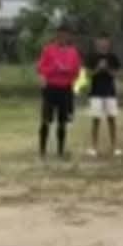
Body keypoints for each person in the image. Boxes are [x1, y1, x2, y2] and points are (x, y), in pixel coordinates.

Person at [36, 23, 81, 159]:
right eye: (60, 34)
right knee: (46, 119)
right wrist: (53, 69)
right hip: (51, 88)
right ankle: (42, 150)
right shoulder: (48, 50)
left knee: (63, 121)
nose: (63, 37)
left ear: (68, 36)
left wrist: (67, 71)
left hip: (65, 88)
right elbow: (41, 68)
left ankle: (60, 150)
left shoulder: (73, 52)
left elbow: (76, 71)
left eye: (65, 35)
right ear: (57, 35)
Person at [85, 34, 122, 158]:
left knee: (112, 119)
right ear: (96, 43)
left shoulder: (113, 57)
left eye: (105, 42)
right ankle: (94, 147)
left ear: (109, 43)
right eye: (100, 42)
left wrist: (107, 69)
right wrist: (98, 68)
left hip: (110, 92)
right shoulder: (91, 57)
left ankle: (115, 147)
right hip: (95, 92)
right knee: (96, 120)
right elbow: (88, 74)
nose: (103, 44)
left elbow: (116, 74)